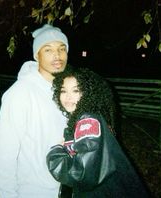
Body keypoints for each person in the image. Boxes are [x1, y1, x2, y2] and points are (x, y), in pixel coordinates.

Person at [46, 67, 151, 198]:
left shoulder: (88, 121)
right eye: (63, 91)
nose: (68, 97)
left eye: (76, 90)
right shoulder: (83, 117)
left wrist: (55, 153)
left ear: (89, 93)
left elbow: (83, 174)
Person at [0, 24, 69, 198]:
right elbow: (5, 154)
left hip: (64, 189)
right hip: (34, 192)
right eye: (48, 50)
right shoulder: (20, 93)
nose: (57, 55)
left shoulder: (66, 92)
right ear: (37, 56)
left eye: (62, 49)